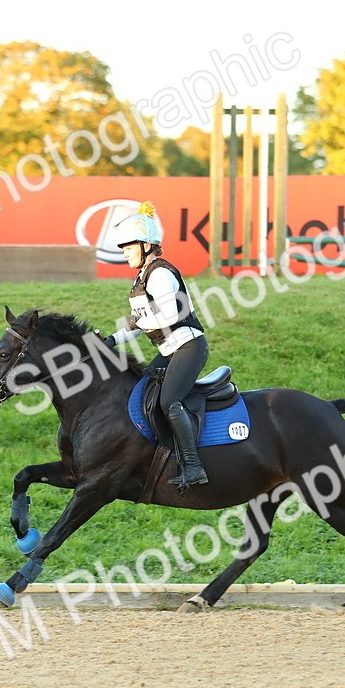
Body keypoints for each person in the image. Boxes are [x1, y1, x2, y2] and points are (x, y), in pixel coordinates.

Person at [103, 201, 210, 489]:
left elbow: (169, 316)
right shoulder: (141, 278)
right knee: (141, 393)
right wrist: (110, 341)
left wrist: (137, 321)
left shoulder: (160, 273)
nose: (124, 253)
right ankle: (158, 455)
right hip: (169, 351)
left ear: (147, 245)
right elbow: (139, 322)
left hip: (189, 347)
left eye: (128, 247)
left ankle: (193, 466)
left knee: (168, 401)